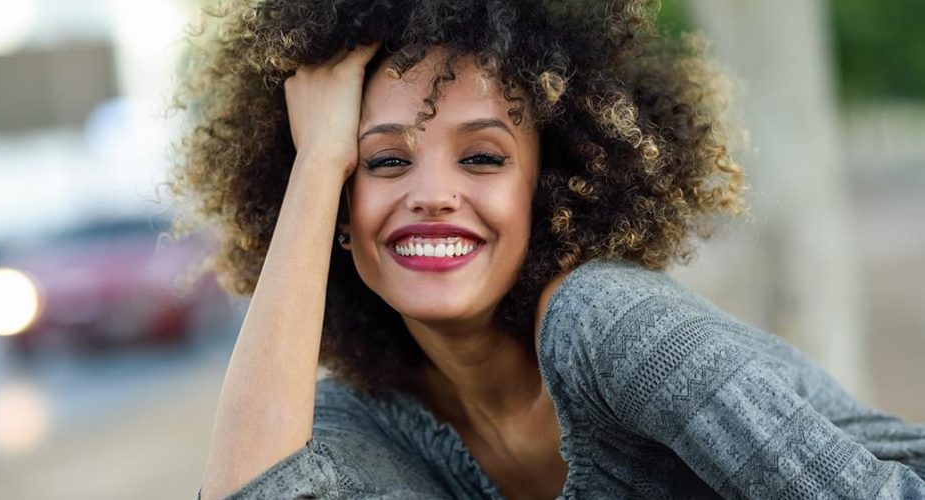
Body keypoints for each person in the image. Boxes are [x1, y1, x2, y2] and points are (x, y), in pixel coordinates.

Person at [171, 0, 925, 497]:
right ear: (339, 209)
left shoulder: (611, 328)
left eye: (483, 158)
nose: (431, 193)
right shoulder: (371, 422)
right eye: (385, 161)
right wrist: (317, 162)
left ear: (549, 190)